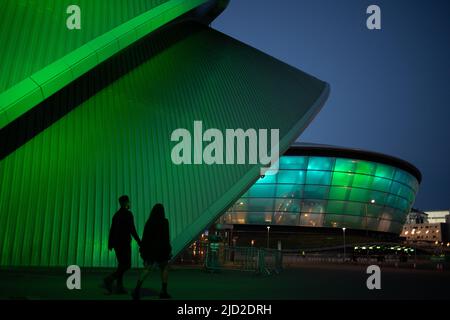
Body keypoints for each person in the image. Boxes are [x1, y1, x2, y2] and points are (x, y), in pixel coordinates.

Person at [132, 203, 172, 300]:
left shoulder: (149, 222)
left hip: (150, 251)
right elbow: (166, 238)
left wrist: (143, 249)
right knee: (165, 268)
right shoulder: (165, 222)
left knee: (147, 269)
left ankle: (137, 290)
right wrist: (169, 250)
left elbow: (145, 237)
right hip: (161, 250)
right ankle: (163, 291)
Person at [104, 195, 141, 294]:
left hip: (116, 244)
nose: (129, 203)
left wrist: (110, 243)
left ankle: (119, 287)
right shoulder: (128, 214)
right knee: (127, 265)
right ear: (125, 203)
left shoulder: (116, 215)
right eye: (128, 201)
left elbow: (112, 230)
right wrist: (138, 240)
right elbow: (132, 229)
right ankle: (110, 279)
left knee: (121, 265)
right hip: (124, 243)